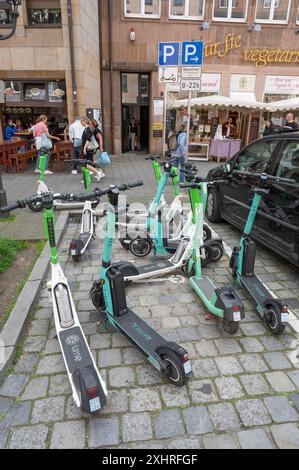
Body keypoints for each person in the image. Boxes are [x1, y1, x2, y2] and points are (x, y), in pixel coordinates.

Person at [80, 116, 104, 181]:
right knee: (88, 163)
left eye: (81, 121)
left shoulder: (88, 129)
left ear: (85, 121)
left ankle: (98, 172)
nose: (81, 122)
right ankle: (90, 177)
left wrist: (84, 148)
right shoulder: (87, 129)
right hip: (88, 149)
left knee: (86, 164)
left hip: (88, 150)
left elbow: (88, 140)